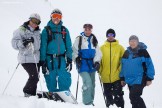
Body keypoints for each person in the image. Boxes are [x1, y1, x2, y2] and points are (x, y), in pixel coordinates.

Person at [40, 9, 72, 93]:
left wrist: (69, 59)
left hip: (61, 58)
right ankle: (52, 93)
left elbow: (68, 45)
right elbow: (43, 46)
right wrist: (42, 61)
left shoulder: (64, 30)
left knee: (64, 76)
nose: (56, 18)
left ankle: (64, 93)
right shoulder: (46, 30)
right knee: (51, 77)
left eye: (59, 16)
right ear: (51, 17)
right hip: (49, 58)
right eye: (54, 16)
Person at [120, 35, 155, 108]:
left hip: (140, 78)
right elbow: (123, 66)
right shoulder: (126, 53)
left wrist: (150, 78)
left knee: (134, 95)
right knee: (133, 99)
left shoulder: (143, 52)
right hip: (129, 79)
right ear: (129, 42)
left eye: (134, 41)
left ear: (137, 42)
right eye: (131, 41)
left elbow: (149, 64)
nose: (132, 43)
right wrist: (122, 78)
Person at [11, 13, 41, 97]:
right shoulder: (21, 30)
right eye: (34, 21)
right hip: (25, 58)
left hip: (35, 58)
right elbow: (14, 44)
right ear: (29, 20)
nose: (35, 23)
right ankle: (27, 91)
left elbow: (39, 46)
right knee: (34, 77)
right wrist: (24, 42)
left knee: (36, 77)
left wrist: (41, 59)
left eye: (37, 22)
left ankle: (32, 95)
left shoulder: (38, 32)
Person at [73, 24, 102, 105]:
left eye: (89, 29)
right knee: (87, 82)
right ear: (84, 30)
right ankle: (87, 102)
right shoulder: (79, 39)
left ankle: (91, 101)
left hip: (92, 64)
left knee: (92, 83)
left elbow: (98, 53)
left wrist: (97, 62)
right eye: (86, 29)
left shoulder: (94, 39)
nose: (88, 31)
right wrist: (76, 58)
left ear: (91, 30)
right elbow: (74, 50)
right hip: (82, 63)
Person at [99, 28, 125, 108]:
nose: (110, 36)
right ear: (107, 36)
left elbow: (123, 61)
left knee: (118, 95)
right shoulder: (102, 48)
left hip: (117, 76)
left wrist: (119, 71)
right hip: (105, 77)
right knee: (108, 96)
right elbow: (98, 60)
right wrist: (100, 71)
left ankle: (120, 106)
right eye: (109, 35)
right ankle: (109, 105)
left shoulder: (120, 48)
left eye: (112, 35)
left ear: (114, 36)